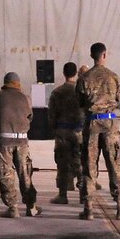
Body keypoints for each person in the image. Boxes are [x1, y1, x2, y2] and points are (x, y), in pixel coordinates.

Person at [76, 43, 120, 219]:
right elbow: (119, 99)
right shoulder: (114, 77)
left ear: (92, 55)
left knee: (89, 166)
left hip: (91, 124)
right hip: (110, 123)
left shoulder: (84, 78)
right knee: (115, 164)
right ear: (104, 55)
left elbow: (80, 102)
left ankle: (89, 208)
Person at [0, 72, 40, 217]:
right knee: (25, 174)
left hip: (4, 141)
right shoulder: (25, 97)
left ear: (5, 82)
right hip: (22, 141)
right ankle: (31, 206)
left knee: (6, 174)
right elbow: (31, 116)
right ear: (18, 83)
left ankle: (13, 208)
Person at [50, 60, 84, 204]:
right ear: (76, 73)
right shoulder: (82, 90)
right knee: (80, 162)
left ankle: (63, 195)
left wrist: (55, 130)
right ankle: (84, 194)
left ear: (64, 74)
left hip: (63, 131)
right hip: (79, 131)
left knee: (62, 163)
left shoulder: (57, 92)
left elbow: (51, 115)